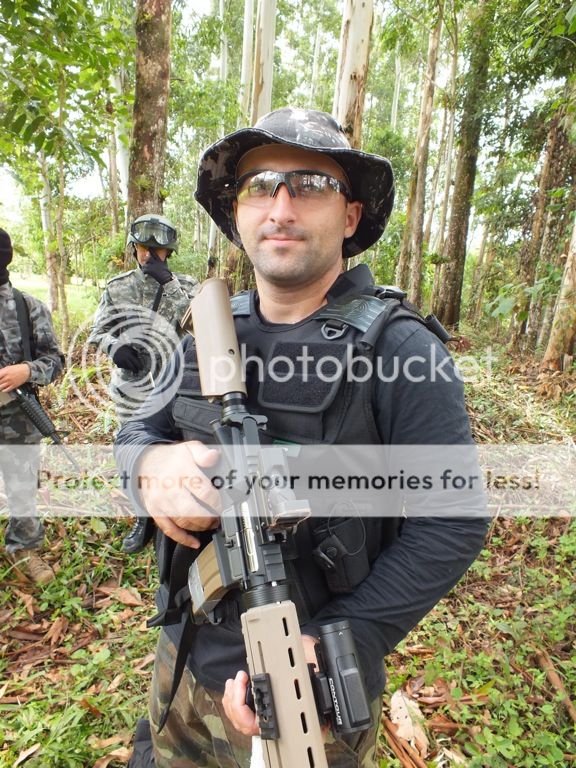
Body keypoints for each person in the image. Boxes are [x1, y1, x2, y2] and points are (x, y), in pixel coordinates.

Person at [115, 108, 488, 767]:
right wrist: (149, 465)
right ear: (237, 214)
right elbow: (137, 428)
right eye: (259, 186)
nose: (280, 204)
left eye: (310, 184)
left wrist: (334, 642)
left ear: (349, 216)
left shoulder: (403, 351)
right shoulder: (199, 331)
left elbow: (451, 522)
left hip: (308, 693)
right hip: (182, 659)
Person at [88, 213, 198, 553]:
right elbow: (97, 332)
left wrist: (169, 285)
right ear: (133, 248)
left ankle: (180, 509)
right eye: (143, 247)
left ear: (170, 252)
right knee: (136, 452)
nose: (150, 255)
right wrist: (113, 346)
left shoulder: (187, 287)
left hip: (174, 386)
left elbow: (200, 324)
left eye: (158, 249)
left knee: (175, 451)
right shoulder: (117, 287)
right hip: (132, 388)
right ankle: (142, 516)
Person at [0, 227, 63, 585]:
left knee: (22, 484)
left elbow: (55, 360)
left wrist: (27, 370)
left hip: (17, 417)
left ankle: (24, 545)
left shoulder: (28, 308)